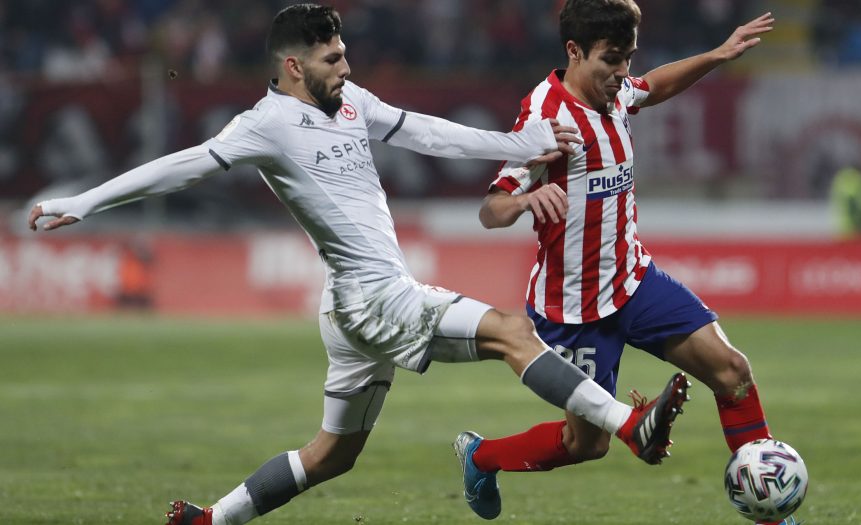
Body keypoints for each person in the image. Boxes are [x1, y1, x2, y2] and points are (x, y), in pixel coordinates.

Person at [26, 4, 691, 525]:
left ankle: (212, 518)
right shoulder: (264, 124)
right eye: (332, 57)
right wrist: (85, 201)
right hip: (373, 298)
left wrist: (518, 142)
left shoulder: (350, 102)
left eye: (344, 53)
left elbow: (429, 131)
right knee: (513, 332)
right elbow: (184, 166)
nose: (345, 65)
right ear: (293, 66)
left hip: (348, 307)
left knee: (332, 455)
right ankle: (627, 424)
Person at [458, 2, 797, 525]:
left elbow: (652, 86)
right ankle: (481, 458)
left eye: (628, 58)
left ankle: (771, 513)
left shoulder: (614, 93)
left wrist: (717, 54)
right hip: (573, 309)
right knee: (586, 444)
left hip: (634, 282)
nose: (622, 73)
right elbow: (491, 210)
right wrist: (524, 200)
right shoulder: (545, 118)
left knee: (732, 372)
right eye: (612, 59)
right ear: (574, 51)